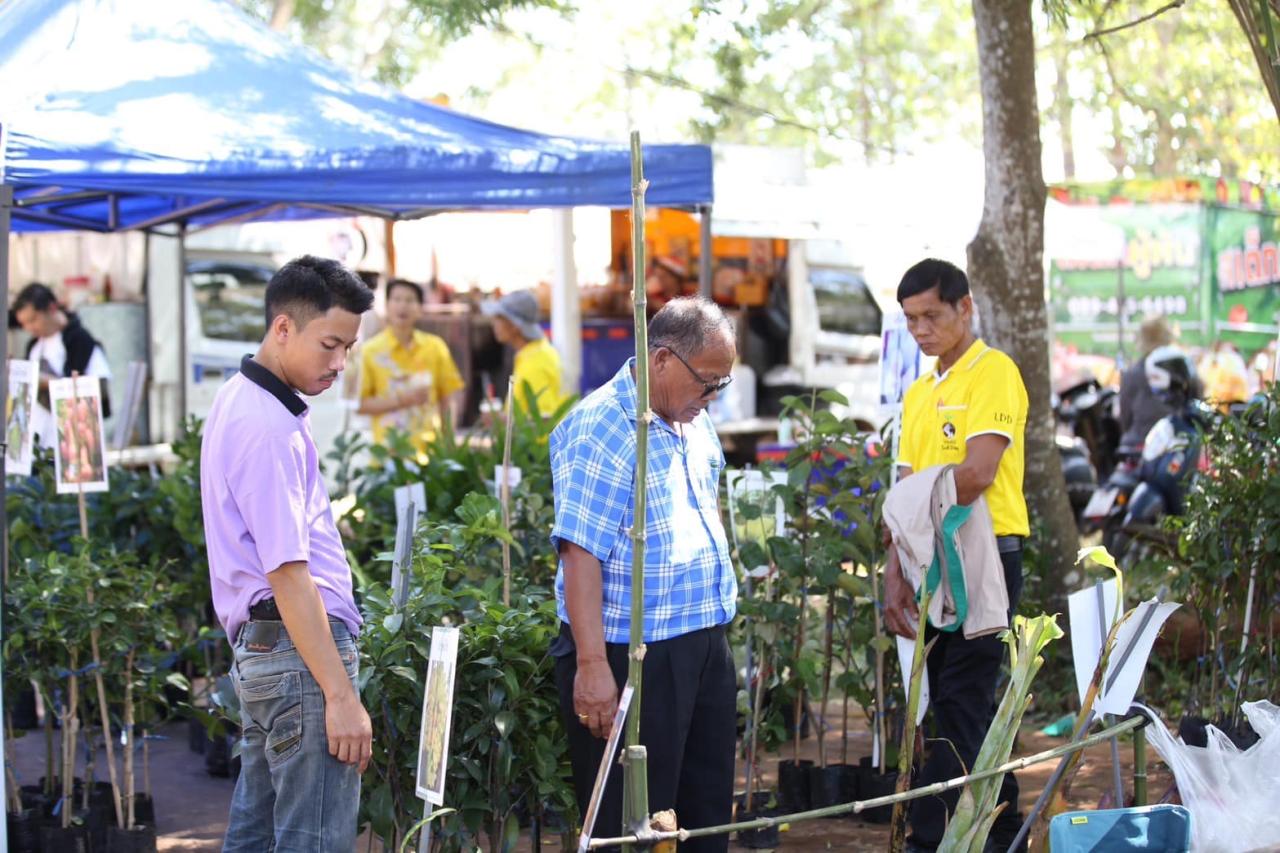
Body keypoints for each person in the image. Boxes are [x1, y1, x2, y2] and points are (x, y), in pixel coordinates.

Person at [549, 296, 738, 849]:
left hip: (703, 642)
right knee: (630, 826)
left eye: (722, 384)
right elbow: (579, 551)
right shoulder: (602, 428)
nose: (713, 397)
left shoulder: (691, 417)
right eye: (707, 381)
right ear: (660, 360)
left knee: (705, 818)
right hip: (633, 654)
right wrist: (590, 666)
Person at [200, 256, 374, 851]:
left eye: (347, 348)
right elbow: (288, 573)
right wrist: (341, 695)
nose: (339, 364)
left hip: (277, 653)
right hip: (300, 655)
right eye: (330, 344)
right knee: (312, 841)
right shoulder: (266, 425)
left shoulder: (242, 398)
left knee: (255, 835)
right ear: (282, 328)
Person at [882, 259, 1029, 853]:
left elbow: (977, 474)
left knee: (965, 703)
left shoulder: (993, 373)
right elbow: (902, 495)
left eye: (932, 316)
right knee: (937, 707)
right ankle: (958, 835)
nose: (921, 330)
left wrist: (918, 501)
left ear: (965, 308)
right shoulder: (918, 392)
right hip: (922, 559)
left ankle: (986, 837)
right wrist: (893, 576)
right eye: (911, 319)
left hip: (984, 556)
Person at [357, 279, 465, 455]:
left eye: (410, 300)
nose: (403, 306)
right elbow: (359, 404)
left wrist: (449, 440)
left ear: (420, 307)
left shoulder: (435, 347)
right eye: (397, 299)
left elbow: (449, 396)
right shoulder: (369, 351)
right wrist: (401, 401)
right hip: (388, 455)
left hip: (430, 454)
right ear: (387, 305)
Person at [12, 283, 112, 449]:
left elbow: (97, 392)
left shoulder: (81, 340)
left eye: (33, 320)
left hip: (71, 441)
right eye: (24, 324)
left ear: (51, 308)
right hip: (37, 440)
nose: (29, 328)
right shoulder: (33, 345)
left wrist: (47, 382)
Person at [481, 289, 568, 417]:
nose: (494, 324)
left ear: (515, 326)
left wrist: (503, 422)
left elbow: (544, 419)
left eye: (499, 318)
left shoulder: (536, 363)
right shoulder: (534, 352)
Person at [1118, 316, 1175, 449]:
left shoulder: (1131, 375)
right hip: (1175, 447)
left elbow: (1125, 420)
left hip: (1138, 446)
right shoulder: (1180, 372)